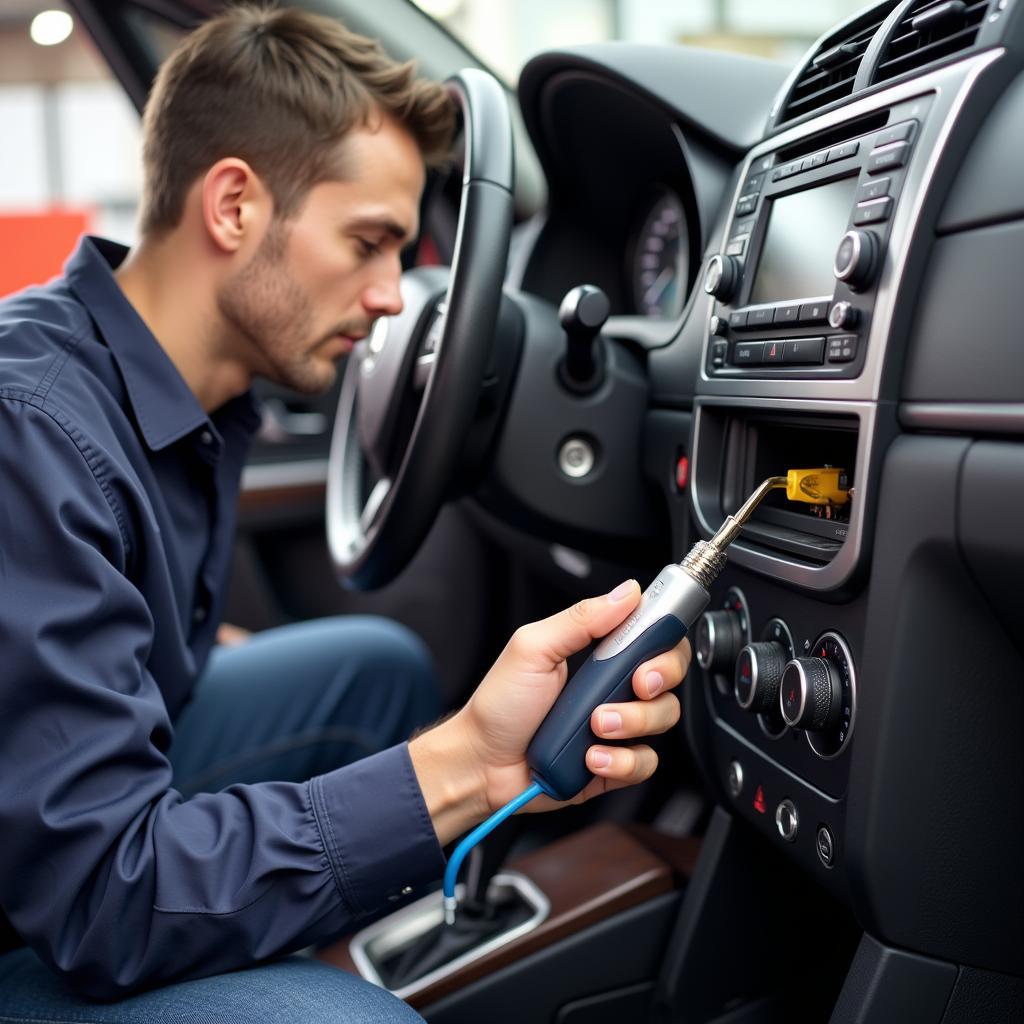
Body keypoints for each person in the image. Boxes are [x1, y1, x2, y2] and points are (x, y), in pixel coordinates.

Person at [0, 6, 691, 1022]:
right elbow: (107, 897)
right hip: (58, 903)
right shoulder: (31, 428)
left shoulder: (189, 385)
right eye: (369, 243)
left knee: (372, 671)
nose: (389, 297)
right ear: (233, 205)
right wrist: (465, 767)